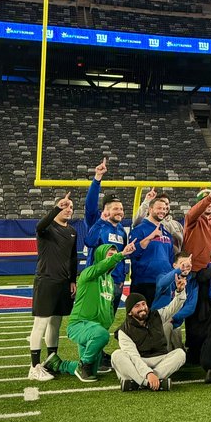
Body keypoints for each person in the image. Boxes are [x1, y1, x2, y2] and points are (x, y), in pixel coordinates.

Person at [46, 241, 137, 382]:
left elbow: (108, 309)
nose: (112, 257)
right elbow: (102, 266)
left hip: (94, 330)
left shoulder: (110, 281)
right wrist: (121, 254)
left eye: (114, 254)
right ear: (101, 256)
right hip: (79, 325)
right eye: (110, 254)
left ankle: (57, 364)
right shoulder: (89, 272)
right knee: (101, 336)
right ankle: (83, 364)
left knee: (92, 370)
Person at [28, 192, 79, 381]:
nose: (69, 210)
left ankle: (51, 361)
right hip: (46, 280)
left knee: (55, 325)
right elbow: (39, 225)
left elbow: (73, 257)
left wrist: (72, 280)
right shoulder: (47, 228)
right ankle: (34, 367)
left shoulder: (72, 231)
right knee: (40, 324)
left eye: (71, 207)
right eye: (65, 206)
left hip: (63, 283)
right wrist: (57, 206)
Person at [110, 290, 188, 392]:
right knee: (117, 355)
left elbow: (173, 308)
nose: (142, 308)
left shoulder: (156, 316)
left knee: (180, 354)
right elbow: (134, 357)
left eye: (143, 304)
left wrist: (180, 291)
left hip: (160, 359)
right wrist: (148, 374)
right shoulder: (123, 331)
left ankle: (136, 383)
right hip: (139, 360)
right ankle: (149, 383)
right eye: (137, 306)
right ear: (129, 312)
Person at [82, 157, 128, 311]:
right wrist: (97, 179)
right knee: (94, 319)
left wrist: (122, 279)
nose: (120, 211)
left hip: (116, 283)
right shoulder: (96, 221)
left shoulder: (121, 230)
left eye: (121, 209)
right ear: (106, 210)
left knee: (108, 320)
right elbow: (90, 204)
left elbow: (121, 257)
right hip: (98, 281)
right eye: (116, 208)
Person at [128, 194, 175, 305]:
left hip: (164, 282)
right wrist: (149, 237)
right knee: (142, 319)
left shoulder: (167, 234)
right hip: (144, 282)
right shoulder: (139, 230)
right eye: (159, 208)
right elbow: (132, 253)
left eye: (164, 209)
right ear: (150, 209)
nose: (162, 211)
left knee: (162, 320)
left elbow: (171, 259)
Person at [183, 188, 211, 273]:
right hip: (195, 270)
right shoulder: (192, 219)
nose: (210, 204)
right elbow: (192, 213)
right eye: (206, 201)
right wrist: (209, 198)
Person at [133, 189, 184, 256]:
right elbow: (137, 221)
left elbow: (183, 245)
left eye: (166, 204)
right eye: (160, 205)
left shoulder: (177, 224)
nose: (165, 206)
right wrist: (147, 201)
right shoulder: (148, 223)